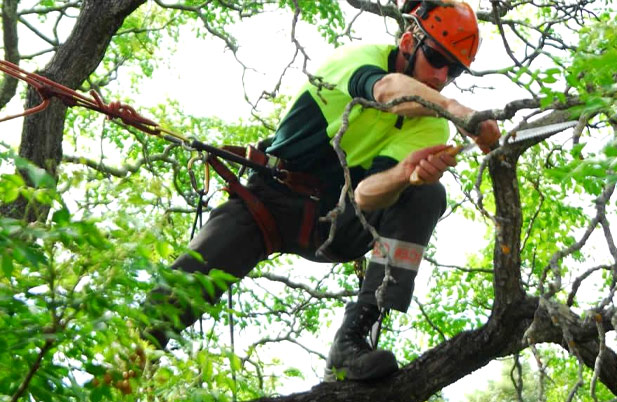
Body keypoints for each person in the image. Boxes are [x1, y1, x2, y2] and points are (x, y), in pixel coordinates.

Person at [143, 0, 500, 382]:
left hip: (337, 225)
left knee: (427, 194)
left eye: (456, 70)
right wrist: (459, 112)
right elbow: (386, 91)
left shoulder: (431, 128)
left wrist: (404, 176)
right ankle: (127, 361)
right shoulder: (360, 59)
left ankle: (352, 339)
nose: (443, 76)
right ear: (410, 42)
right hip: (270, 201)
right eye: (436, 58)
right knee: (166, 305)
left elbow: (365, 197)